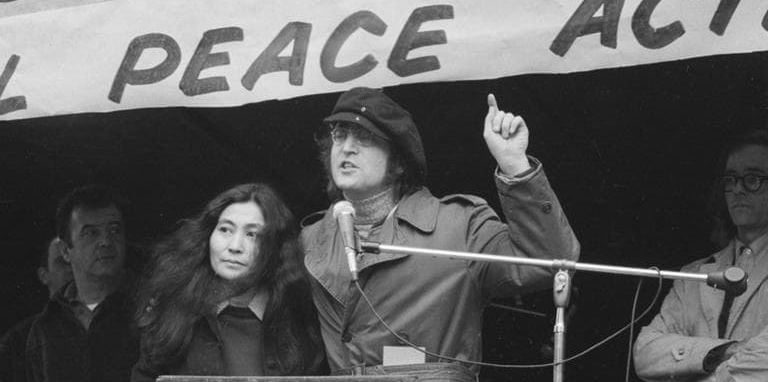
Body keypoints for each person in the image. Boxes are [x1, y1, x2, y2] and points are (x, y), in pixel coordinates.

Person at [301, 87, 580, 374]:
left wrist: (515, 166)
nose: (346, 147)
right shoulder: (311, 239)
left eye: (364, 137)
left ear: (398, 162)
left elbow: (552, 261)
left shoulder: (458, 227)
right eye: (339, 135)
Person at [131, 182, 326, 381]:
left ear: (275, 249)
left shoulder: (297, 320)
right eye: (225, 230)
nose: (235, 246)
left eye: (252, 234)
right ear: (208, 236)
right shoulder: (171, 313)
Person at [634, 129, 768, 381]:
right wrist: (723, 351)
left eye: (752, 178)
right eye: (731, 179)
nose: (738, 189)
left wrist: (696, 367)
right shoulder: (693, 274)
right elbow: (645, 352)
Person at [25, 185, 138, 382]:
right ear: (66, 252)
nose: (106, 241)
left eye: (114, 230)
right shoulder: (43, 329)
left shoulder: (149, 310)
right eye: (91, 233)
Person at [0, 236, 73, 382]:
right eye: (63, 262)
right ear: (44, 275)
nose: (72, 268)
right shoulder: (18, 341)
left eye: (74, 260)